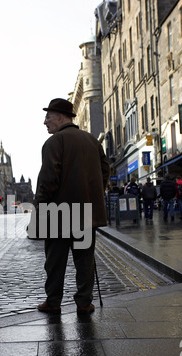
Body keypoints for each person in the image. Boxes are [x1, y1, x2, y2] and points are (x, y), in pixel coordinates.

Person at [32, 98, 110, 315]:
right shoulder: (92, 140)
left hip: (60, 214)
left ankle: (53, 301)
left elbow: (48, 179)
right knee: (85, 260)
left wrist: (40, 207)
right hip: (86, 213)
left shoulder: (54, 142)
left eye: (48, 117)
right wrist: (94, 194)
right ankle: (84, 302)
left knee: (55, 261)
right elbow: (105, 171)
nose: (45, 122)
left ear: (60, 117)